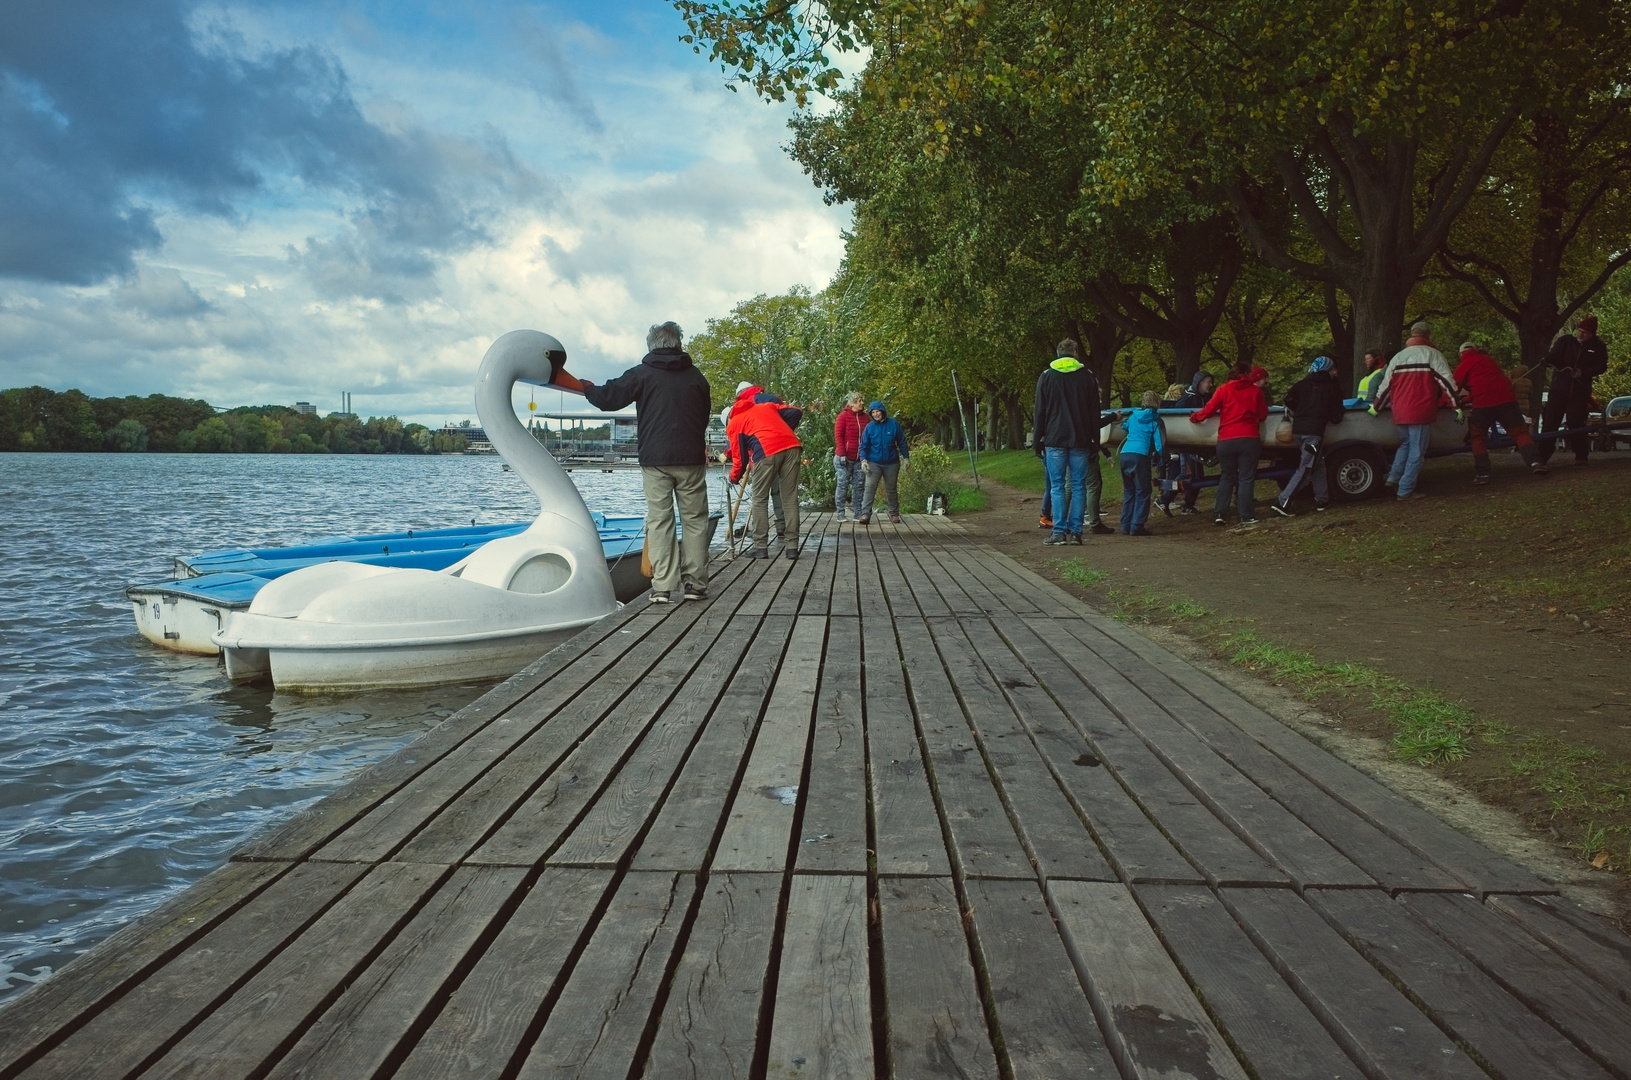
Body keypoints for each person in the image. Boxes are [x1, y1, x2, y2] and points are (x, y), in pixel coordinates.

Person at [579, 321, 712, 603]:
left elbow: (609, 398)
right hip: (691, 458)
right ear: (678, 343)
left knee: (660, 520)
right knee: (695, 520)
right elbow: (702, 417)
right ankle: (696, 584)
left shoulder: (643, 374)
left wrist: (587, 388)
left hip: (655, 459)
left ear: (652, 345)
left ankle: (663, 587)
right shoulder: (697, 377)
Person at [1034, 339, 1110, 545]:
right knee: (1079, 485)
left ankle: (1059, 532)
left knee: (1057, 486)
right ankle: (1076, 532)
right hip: (1081, 438)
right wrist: (1096, 440)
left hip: (1054, 438)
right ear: (1076, 353)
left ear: (1058, 353)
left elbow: (1040, 411)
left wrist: (1037, 440)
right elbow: (1094, 413)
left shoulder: (1047, 376)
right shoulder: (1087, 377)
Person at [1372, 321, 1459, 500]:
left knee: (1405, 445)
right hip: (1420, 409)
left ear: (1411, 336)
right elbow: (1447, 382)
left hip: (1400, 411)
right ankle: (1405, 490)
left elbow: (1386, 387)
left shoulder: (1398, 357)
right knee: (1417, 451)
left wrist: (1377, 407)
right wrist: (1456, 405)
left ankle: (1393, 479)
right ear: (1427, 336)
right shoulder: (1432, 354)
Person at [725, 383, 804, 559]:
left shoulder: (735, 423)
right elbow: (795, 411)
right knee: (790, 498)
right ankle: (792, 548)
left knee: (759, 499)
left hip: (767, 451)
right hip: (792, 446)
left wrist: (733, 478)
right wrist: (782, 430)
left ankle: (761, 546)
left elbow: (740, 459)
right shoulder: (766, 407)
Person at [1455, 341, 1548, 484]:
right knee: (1520, 433)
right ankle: (1536, 462)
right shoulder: (1490, 360)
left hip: (1483, 403)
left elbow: (1454, 386)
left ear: (1461, 354)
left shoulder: (1464, 364)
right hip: (1507, 400)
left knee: (1478, 438)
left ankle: (1483, 474)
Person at [1190, 362, 1269, 525]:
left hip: (1226, 440)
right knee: (1246, 478)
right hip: (1249, 438)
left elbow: (1208, 410)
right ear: (1248, 374)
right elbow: (1262, 415)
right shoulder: (1256, 391)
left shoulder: (1223, 390)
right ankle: (1246, 515)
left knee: (1227, 476)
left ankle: (1219, 513)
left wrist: (1194, 417)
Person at [1269, 356, 1347, 517]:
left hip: (1298, 430)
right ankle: (1282, 502)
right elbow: (1337, 416)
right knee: (1306, 468)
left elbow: (1287, 399)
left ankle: (1322, 499)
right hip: (1314, 432)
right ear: (1328, 370)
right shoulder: (1333, 388)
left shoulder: (1301, 384)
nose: (1335, 373)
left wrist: (1299, 411)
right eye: (1333, 370)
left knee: (1318, 464)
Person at [1537, 314, 1609, 466]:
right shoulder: (1565, 341)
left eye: (1586, 332)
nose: (1581, 334)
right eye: (1580, 330)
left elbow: (1602, 366)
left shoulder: (1598, 347)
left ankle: (1581, 454)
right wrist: (1548, 360)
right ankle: (1542, 456)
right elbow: (1554, 355)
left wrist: (1585, 372)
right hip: (1559, 389)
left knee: (1576, 422)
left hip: (1579, 391)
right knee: (1550, 423)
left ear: (1592, 334)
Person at [1159, 370, 1214, 516]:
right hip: (1188, 444)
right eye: (1208, 381)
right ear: (1200, 383)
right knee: (1186, 474)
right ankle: (1164, 500)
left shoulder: (1202, 398)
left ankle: (1188, 505)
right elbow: (1177, 419)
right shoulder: (1187, 399)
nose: (1210, 385)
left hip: (1196, 444)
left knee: (1197, 477)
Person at [1119, 391, 1165, 535]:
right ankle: (1137, 526)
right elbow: (1160, 444)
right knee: (1143, 490)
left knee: (1129, 490)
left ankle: (1125, 525)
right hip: (1140, 455)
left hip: (1125, 453)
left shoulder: (1133, 416)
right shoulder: (1155, 419)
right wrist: (1163, 457)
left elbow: (1124, 426)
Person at [857, 400, 910, 523]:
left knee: (891, 489)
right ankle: (865, 514)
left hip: (891, 462)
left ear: (883, 411)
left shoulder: (893, 424)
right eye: (873, 412)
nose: (875, 414)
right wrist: (863, 460)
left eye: (877, 411)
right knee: (870, 487)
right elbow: (863, 446)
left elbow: (902, 442)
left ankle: (894, 514)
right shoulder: (869, 427)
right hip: (873, 462)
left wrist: (906, 457)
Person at [833, 392, 866, 520]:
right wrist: (842, 453)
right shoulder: (843, 416)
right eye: (859, 401)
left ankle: (858, 512)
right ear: (852, 403)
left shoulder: (865, 418)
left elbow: (867, 437)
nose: (862, 403)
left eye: (862, 400)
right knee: (842, 484)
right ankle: (840, 513)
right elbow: (838, 435)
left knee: (858, 485)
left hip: (859, 459)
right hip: (844, 458)